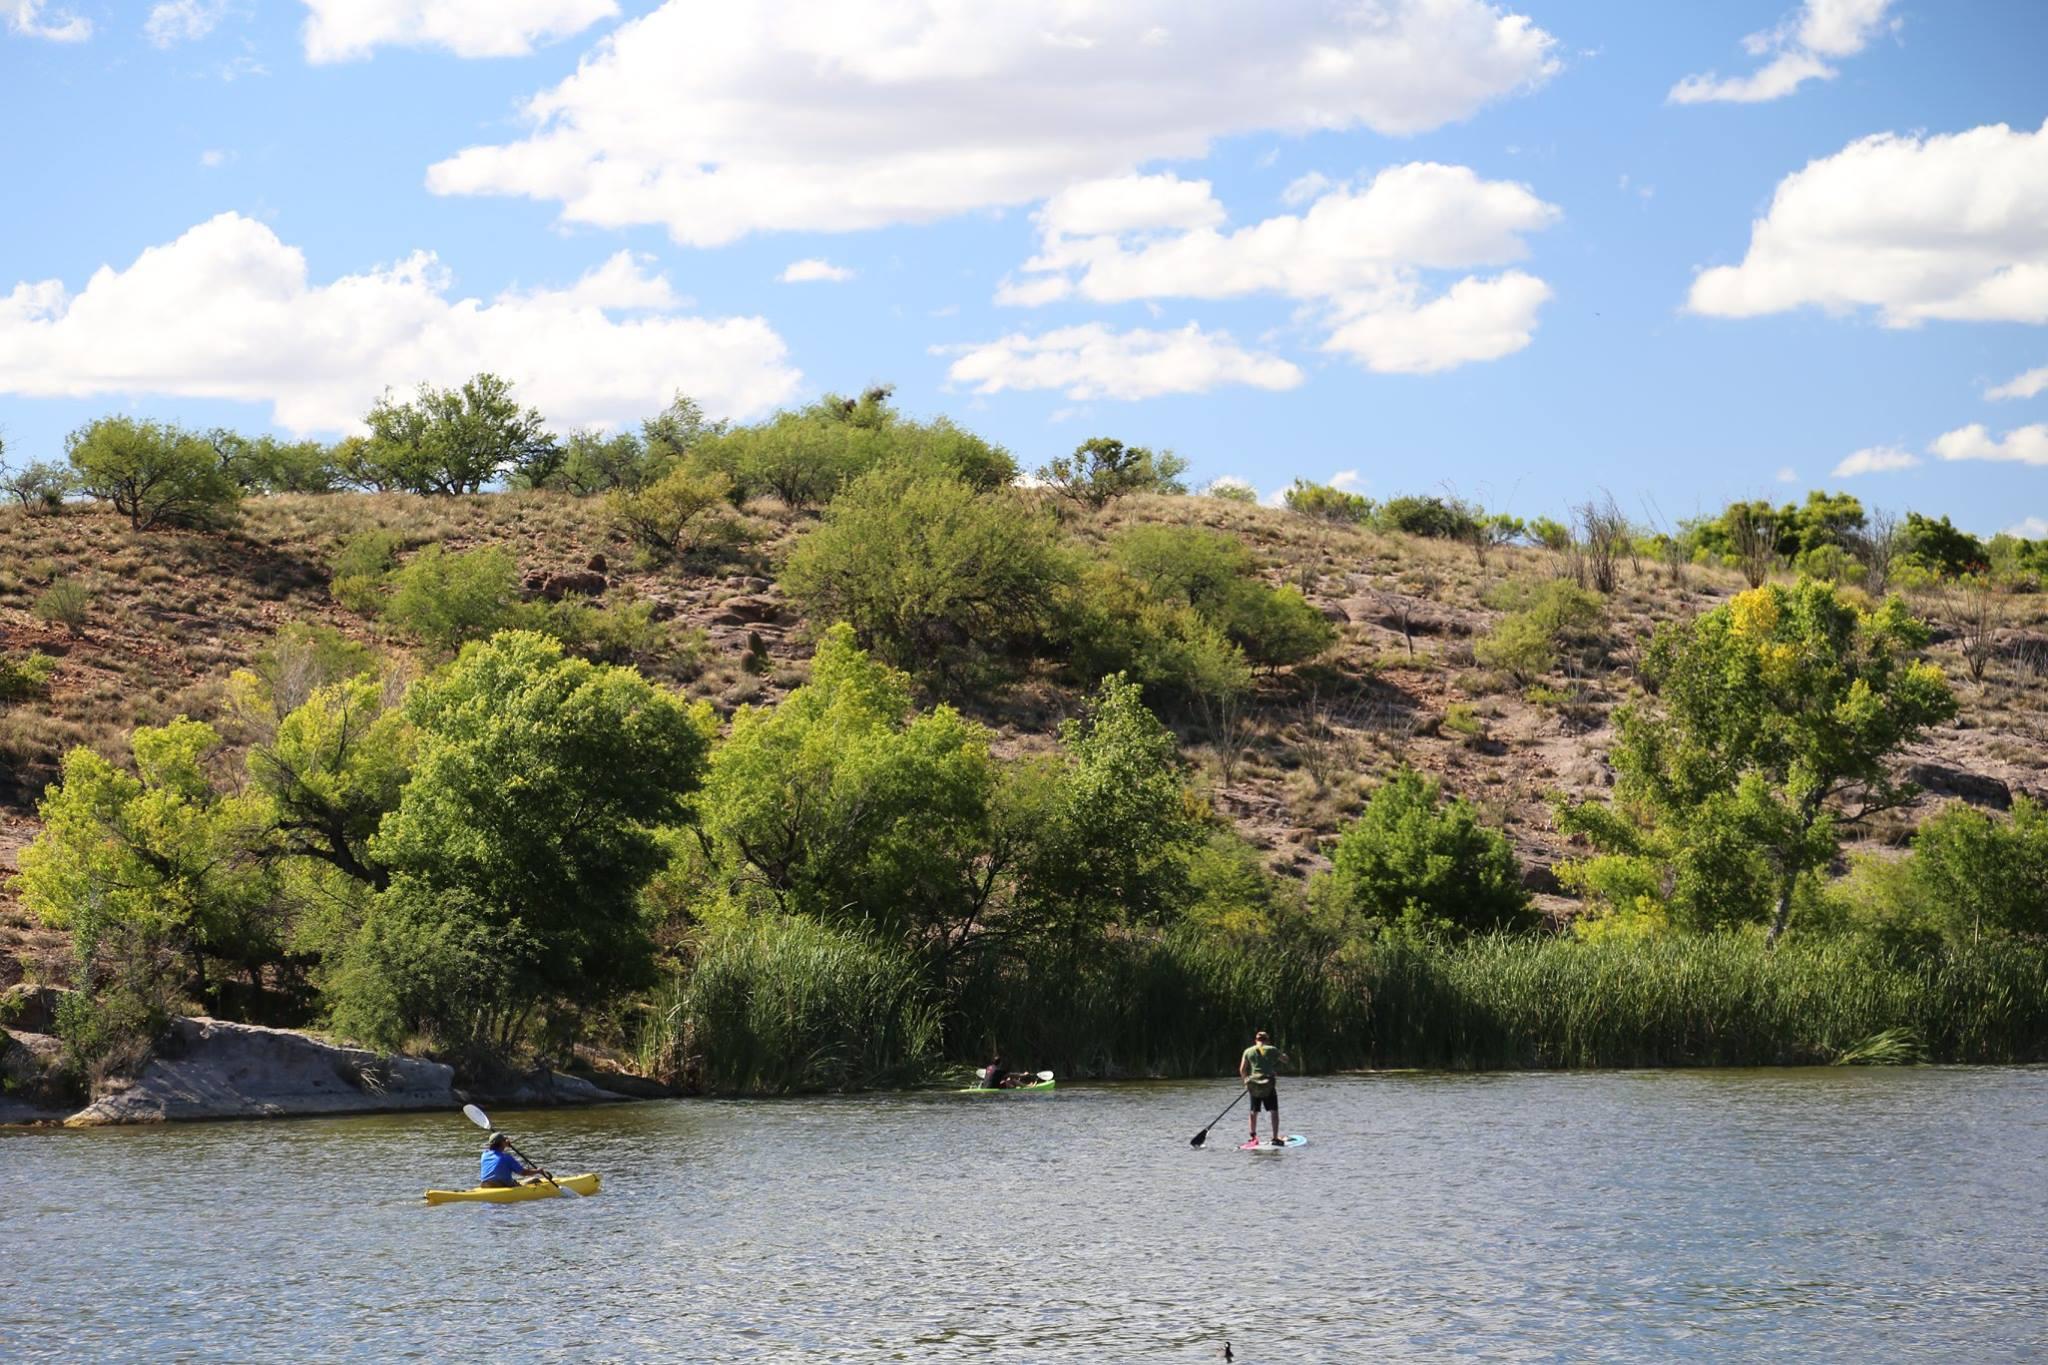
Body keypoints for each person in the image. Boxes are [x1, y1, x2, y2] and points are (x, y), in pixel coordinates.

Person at [1239, 1030, 1291, 1145]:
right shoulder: (1272, 1049)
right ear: (1267, 1040)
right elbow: (1285, 1060)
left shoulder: (1248, 1051)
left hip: (1254, 1084)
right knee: (1273, 1111)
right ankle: (1275, 1137)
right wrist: (1285, 1056)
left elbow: (1242, 1069)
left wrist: (1246, 1082)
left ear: (1256, 1040)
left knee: (1253, 1111)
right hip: (1268, 1084)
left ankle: (1253, 1137)